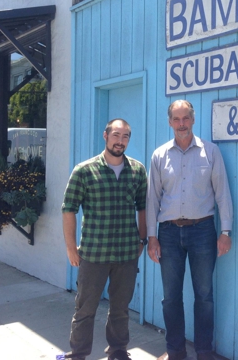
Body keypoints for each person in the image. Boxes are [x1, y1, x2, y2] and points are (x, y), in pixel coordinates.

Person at [146, 100, 233, 360]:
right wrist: (152, 237)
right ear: (170, 122)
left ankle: (204, 351)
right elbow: (153, 199)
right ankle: (175, 351)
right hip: (169, 234)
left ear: (193, 120)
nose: (181, 124)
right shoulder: (160, 155)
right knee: (171, 297)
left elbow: (222, 194)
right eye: (176, 119)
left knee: (204, 296)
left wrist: (225, 231)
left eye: (186, 118)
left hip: (203, 231)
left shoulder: (211, 152)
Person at [62, 118, 147, 360]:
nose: (120, 141)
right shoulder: (84, 170)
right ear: (106, 135)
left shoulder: (138, 171)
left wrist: (142, 240)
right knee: (85, 309)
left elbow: (143, 207)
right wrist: (70, 248)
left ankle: (118, 351)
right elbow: (69, 209)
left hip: (126, 255)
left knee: (120, 309)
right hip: (93, 253)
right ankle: (78, 354)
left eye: (125, 137)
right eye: (116, 135)